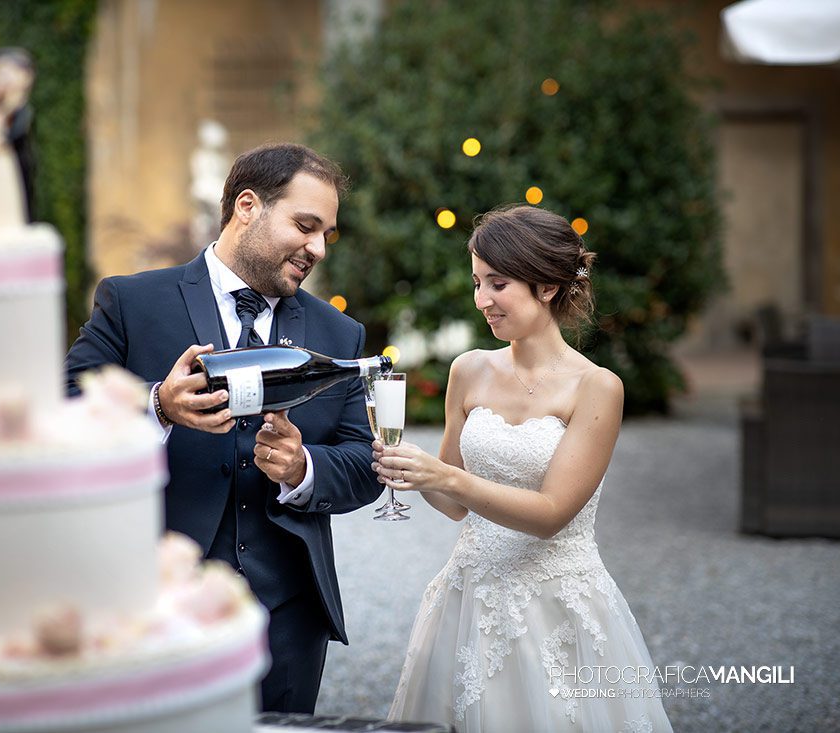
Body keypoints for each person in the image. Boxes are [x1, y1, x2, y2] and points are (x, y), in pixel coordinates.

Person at [64, 142, 382, 713]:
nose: (316, 248)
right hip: (152, 605)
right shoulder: (132, 302)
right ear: (247, 206)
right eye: (305, 226)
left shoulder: (339, 335)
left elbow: (364, 464)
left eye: (326, 235)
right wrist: (157, 404)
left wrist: (303, 467)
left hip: (286, 620)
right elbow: (64, 408)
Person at [375, 205, 672, 732]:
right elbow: (452, 506)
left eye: (498, 283)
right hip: (465, 598)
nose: (482, 300)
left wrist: (444, 476)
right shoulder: (468, 370)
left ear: (548, 287)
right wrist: (409, 473)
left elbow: (552, 513)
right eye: (477, 283)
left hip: (557, 604)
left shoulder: (596, 387)